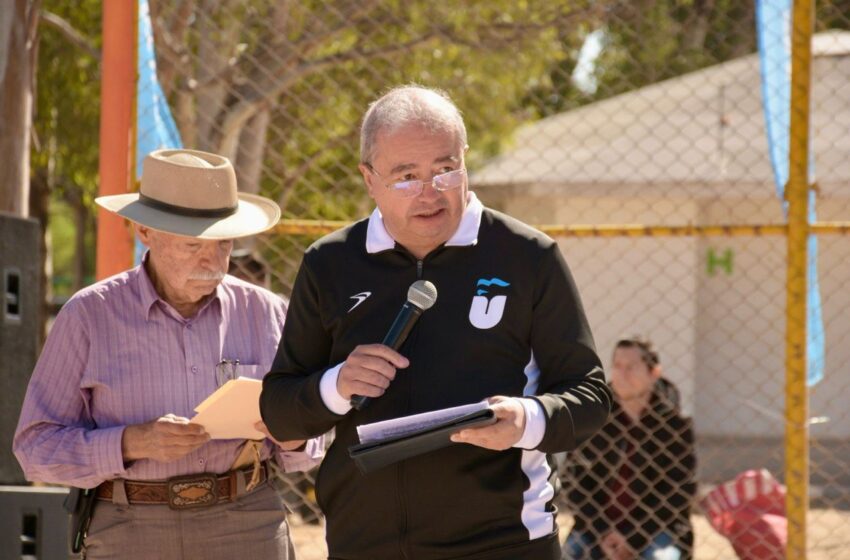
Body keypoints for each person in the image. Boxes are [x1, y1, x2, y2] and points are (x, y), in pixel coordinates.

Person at [259, 85, 612, 560]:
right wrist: (336, 386)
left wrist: (525, 421)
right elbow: (280, 411)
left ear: (465, 162)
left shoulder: (528, 256)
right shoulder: (330, 263)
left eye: (445, 170)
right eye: (406, 176)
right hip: (365, 544)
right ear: (369, 178)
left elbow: (589, 398)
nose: (430, 192)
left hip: (504, 543)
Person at [13, 149, 323, 560]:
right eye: (193, 244)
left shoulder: (267, 312)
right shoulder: (89, 316)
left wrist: (294, 433)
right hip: (129, 527)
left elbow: (312, 444)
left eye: (224, 243)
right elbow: (35, 450)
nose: (212, 260)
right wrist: (132, 443)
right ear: (145, 232)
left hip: (246, 523)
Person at [561, 338, 696, 560]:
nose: (621, 374)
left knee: (662, 557)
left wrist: (632, 538)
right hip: (596, 528)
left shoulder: (674, 426)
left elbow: (678, 492)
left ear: (654, 372)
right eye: (617, 366)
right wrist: (604, 531)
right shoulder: (595, 418)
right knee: (567, 555)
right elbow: (572, 480)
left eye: (631, 367)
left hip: (657, 530)